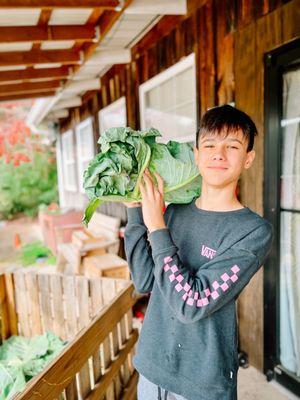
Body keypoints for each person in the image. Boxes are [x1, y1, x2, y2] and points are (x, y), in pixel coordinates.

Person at [123, 104, 274, 400]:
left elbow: (192, 303)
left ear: (248, 159)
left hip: (200, 383)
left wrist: (156, 226)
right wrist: (135, 214)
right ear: (196, 154)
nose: (219, 154)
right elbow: (144, 279)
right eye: (210, 145)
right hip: (151, 369)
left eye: (233, 146)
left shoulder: (253, 231)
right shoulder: (175, 213)